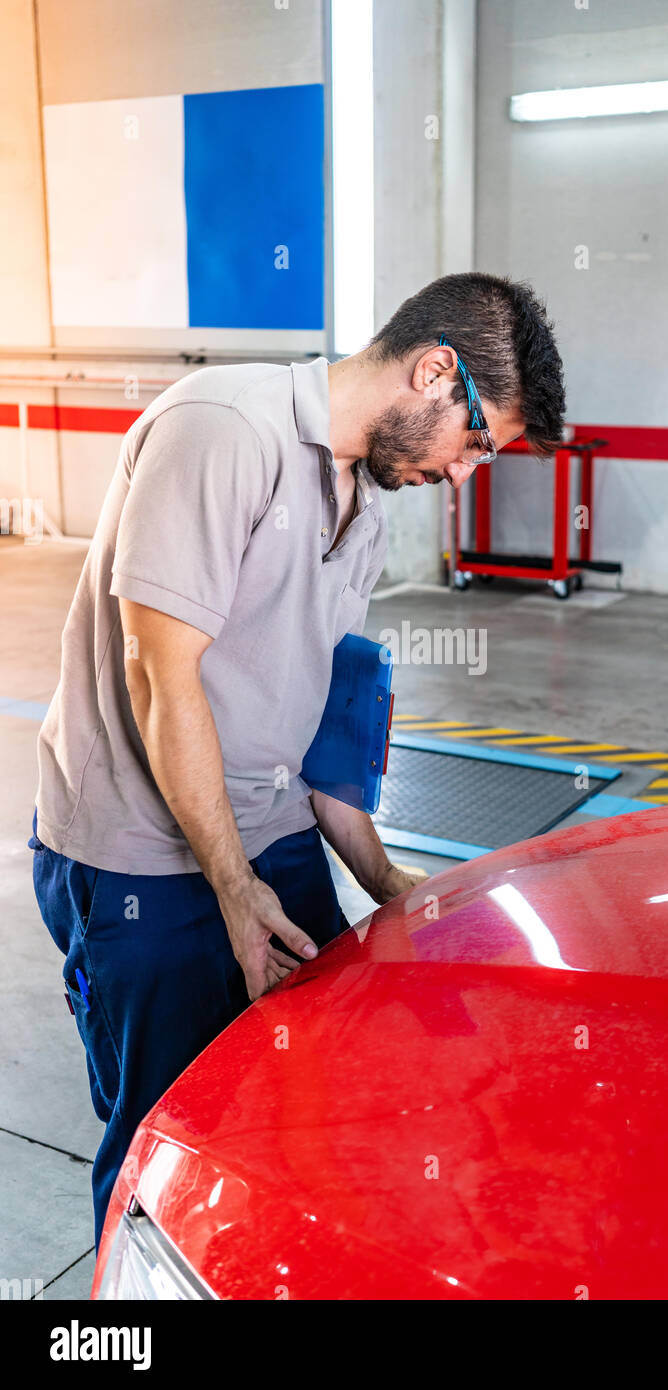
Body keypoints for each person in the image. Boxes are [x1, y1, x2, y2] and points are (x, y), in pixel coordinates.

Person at [29, 270, 566, 1247]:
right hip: (143, 859)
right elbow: (162, 677)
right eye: (476, 443)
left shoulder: (364, 494)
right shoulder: (222, 430)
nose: (461, 476)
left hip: (268, 842)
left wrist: (381, 873)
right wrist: (234, 893)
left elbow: (322, 705)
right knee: (166, 1132)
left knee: (293, 1101)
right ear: (433, 370)